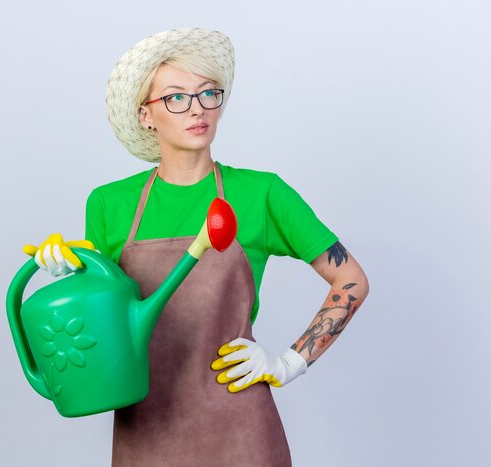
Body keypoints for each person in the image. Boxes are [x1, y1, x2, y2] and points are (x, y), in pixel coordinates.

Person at [31, 28, 369, 467]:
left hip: (240, 427)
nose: (197, 109)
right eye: (176, 97)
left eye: (208, 93)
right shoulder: (109, 204)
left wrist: (287, 362)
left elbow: (352, 280)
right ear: (146, 115)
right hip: (144, 427)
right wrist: (66, 277)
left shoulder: (261, 194)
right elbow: (100, 328)